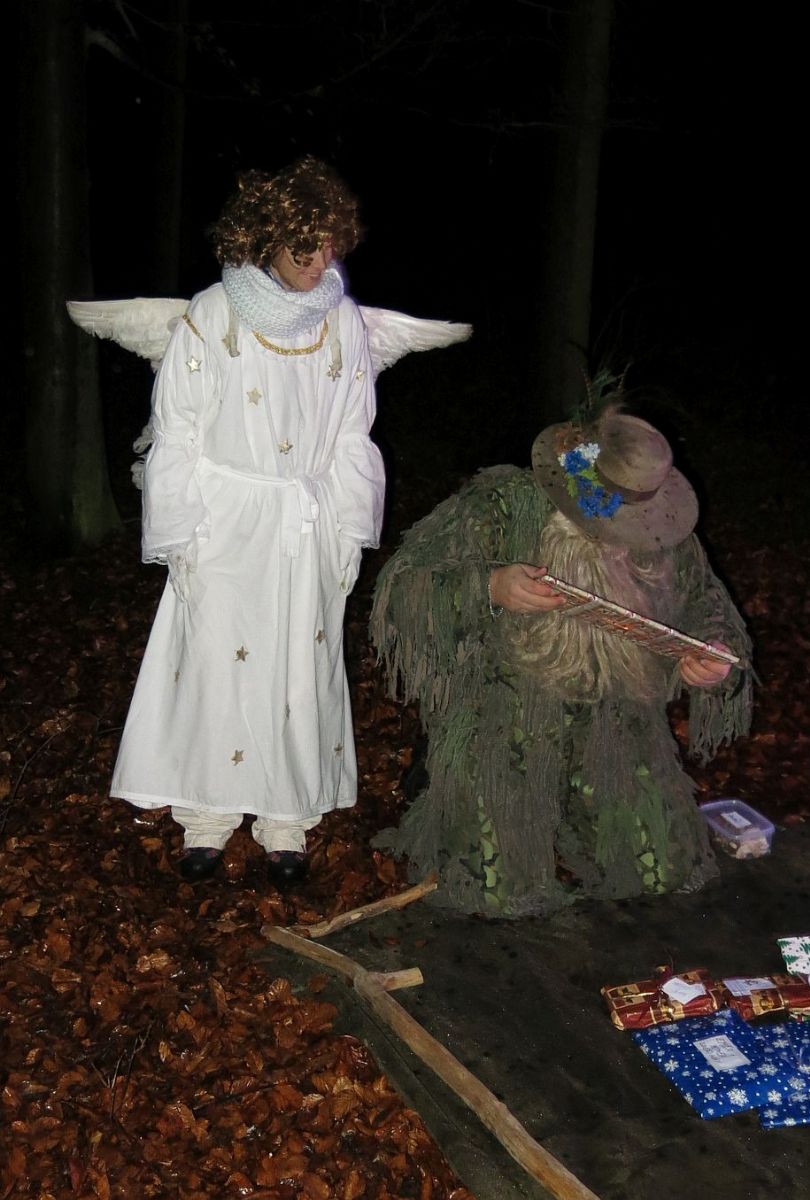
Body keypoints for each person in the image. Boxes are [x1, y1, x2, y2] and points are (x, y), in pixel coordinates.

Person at [110, 156, 386, 886]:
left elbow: (353, 431)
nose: (319, 264)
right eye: (304, 249)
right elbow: (177, 429)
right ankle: (206, 815)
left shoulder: (343, 321)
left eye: (329, 248)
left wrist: (349, 528)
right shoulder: (212, 314)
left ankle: (285, 816)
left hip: (305, 521)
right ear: (267, 239)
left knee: (297, 662)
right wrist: (181, 534)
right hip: (226, 519)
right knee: (214, 660)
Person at [370, 405, 752, 916]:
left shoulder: (660, 529)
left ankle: (580, 816)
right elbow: (404, 587)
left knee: (664, 873)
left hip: (617, 722)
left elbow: (707, 604)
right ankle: (446, 784)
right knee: (495, 894)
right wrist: (490, 587)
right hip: (504, 716)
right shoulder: (504, 504)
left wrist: (713, 655)